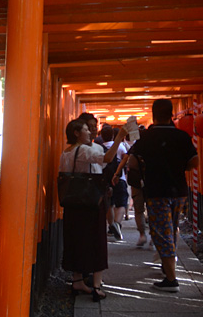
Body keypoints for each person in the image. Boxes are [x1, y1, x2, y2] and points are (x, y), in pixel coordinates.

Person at [129, 99, 198, 292]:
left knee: (162, 232)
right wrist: (178, 167)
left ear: (153, 114)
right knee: (172, 228)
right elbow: (194, 161)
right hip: (179, 191)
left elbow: (133, 163)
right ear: (171, 114)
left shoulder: (146, 137)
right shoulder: (182, 136)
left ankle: (171, 279)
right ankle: (168, 267)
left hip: (157, 191)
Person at [59, 118, 128, 302]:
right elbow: (107, 158)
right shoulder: (83, 150)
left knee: (76, 241)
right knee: (97, 240)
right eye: (86, 130)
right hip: (89, 203)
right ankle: (96, 285)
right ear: (76, 133)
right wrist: (120, 136)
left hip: (73, 203)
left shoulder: (66, 152)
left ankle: (77, 280)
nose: (90, 132)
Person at [101, 125, 129, 240]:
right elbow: (126, 160)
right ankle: (117, 223)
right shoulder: (120, 146)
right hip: (119, 178)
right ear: (113, 136)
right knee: (121, 203)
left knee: (110, 204)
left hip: (106, 179)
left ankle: (111, 225)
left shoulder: (100, 148)